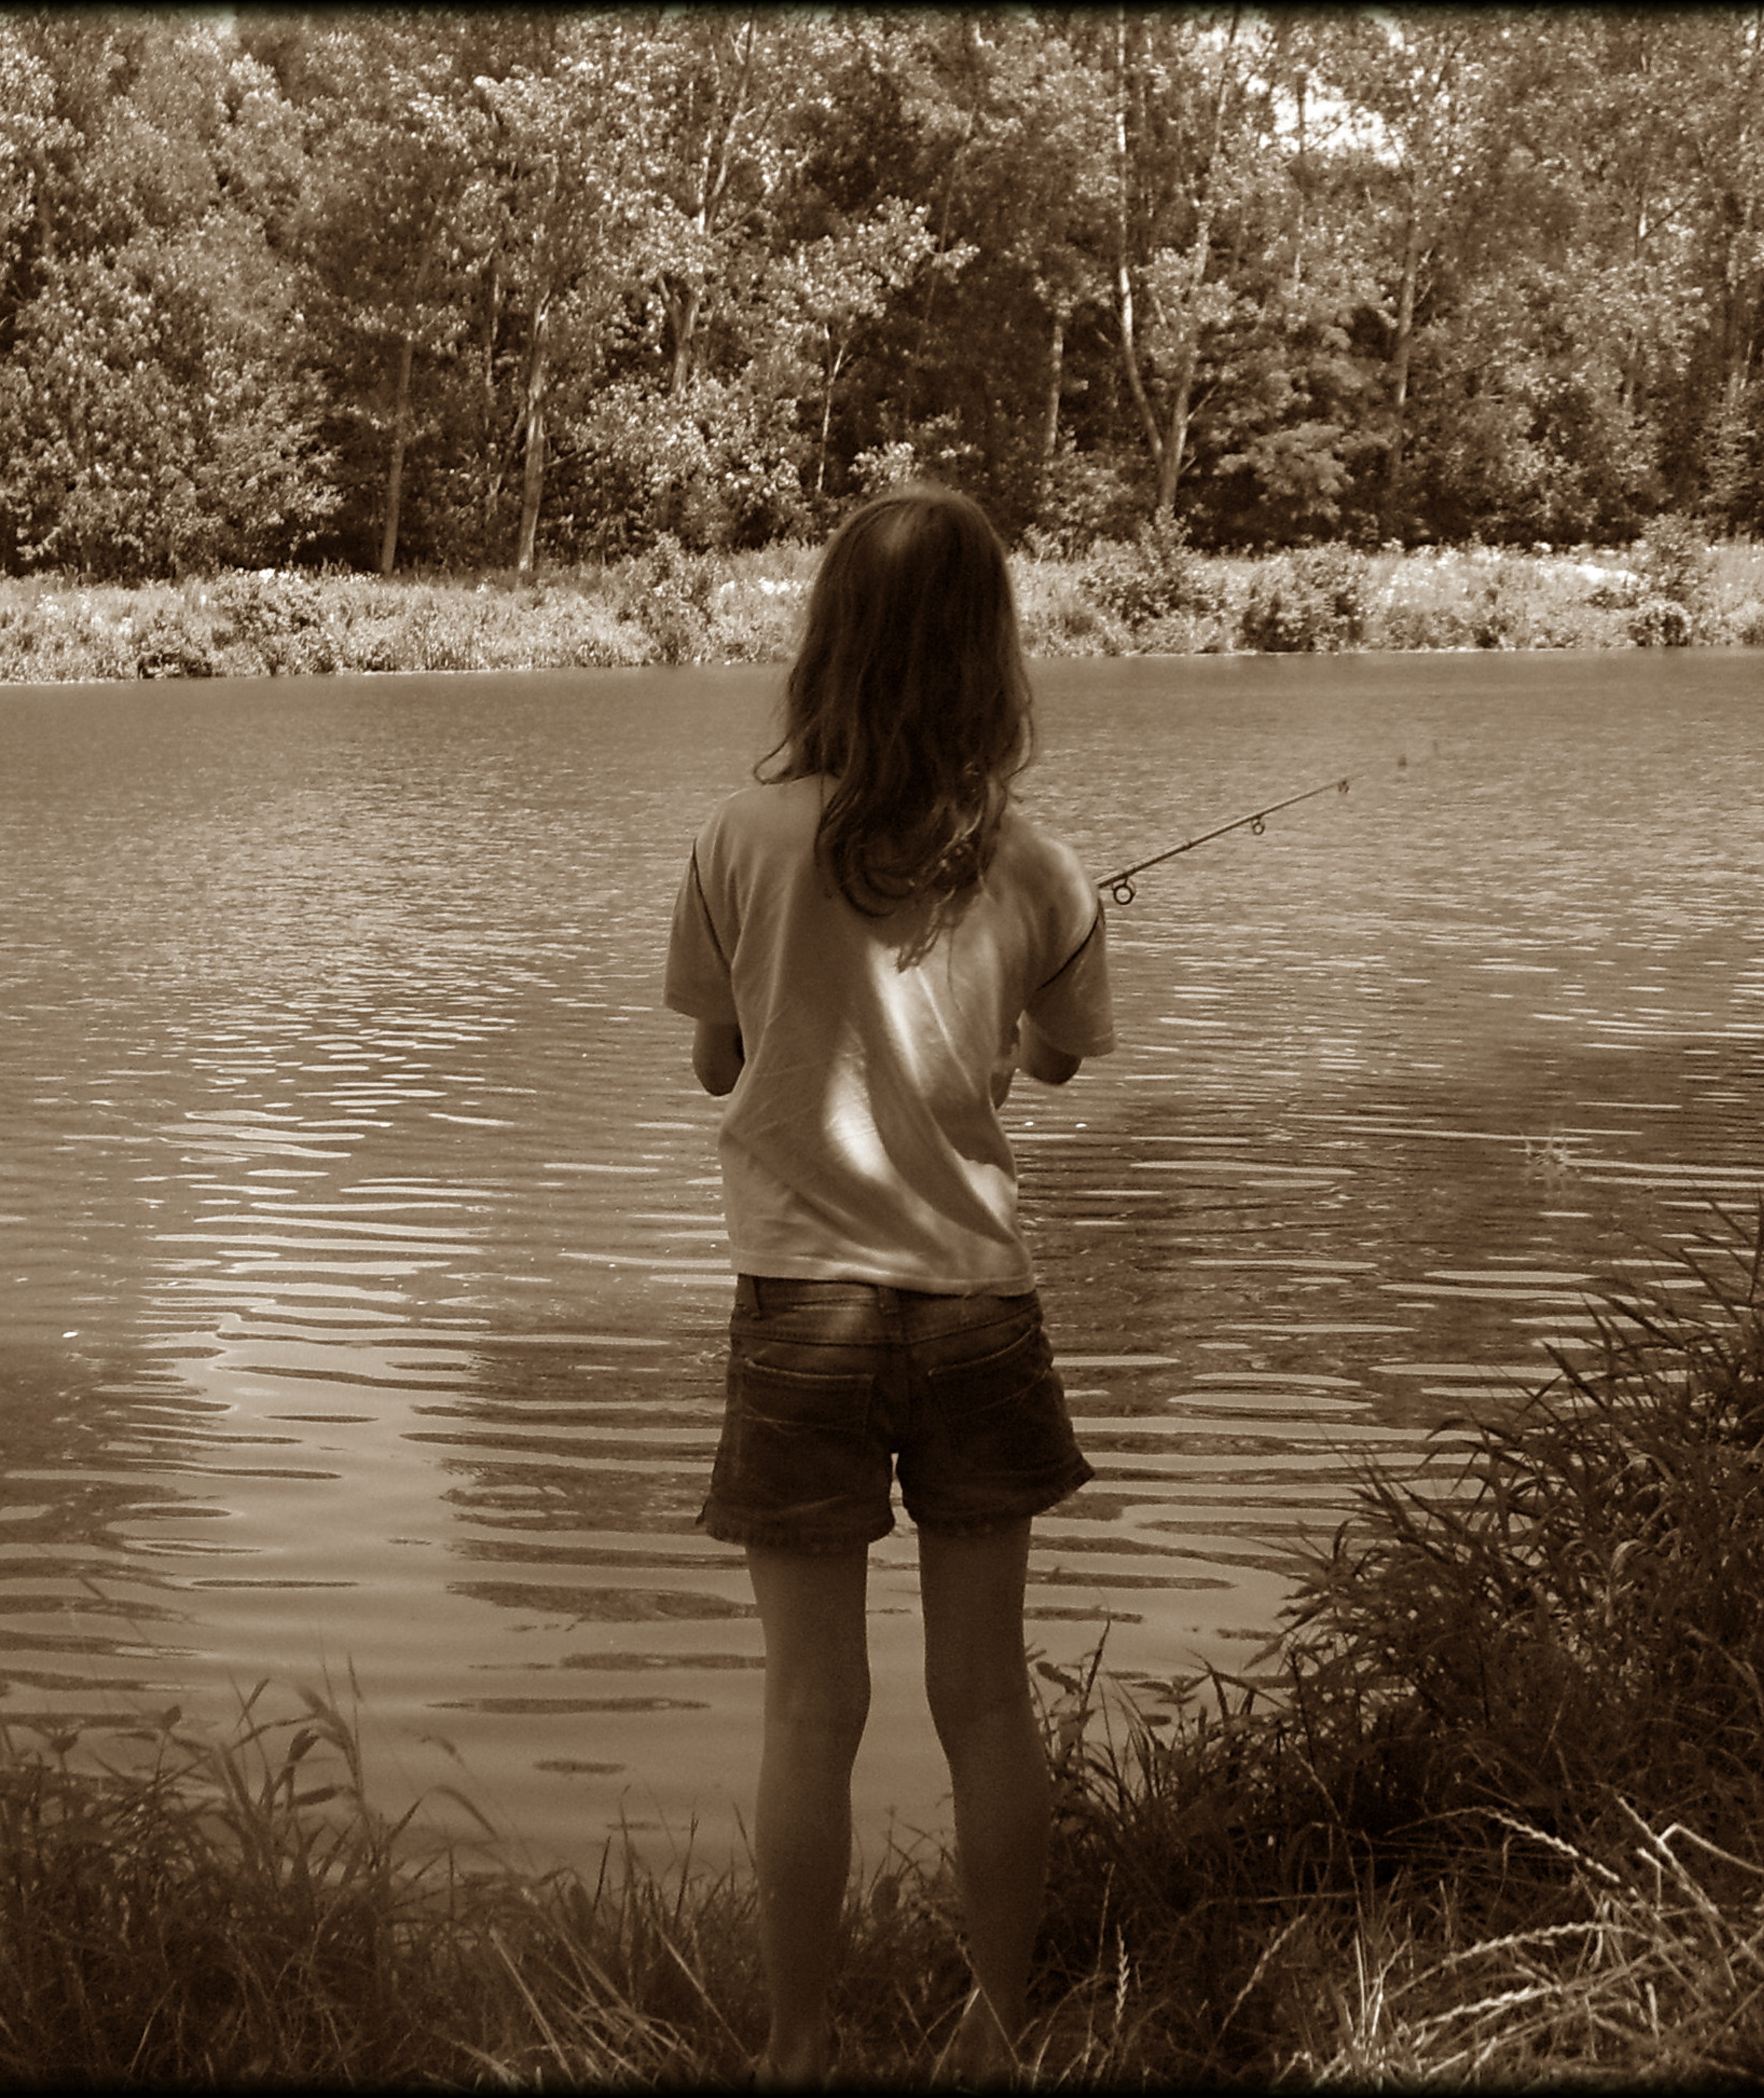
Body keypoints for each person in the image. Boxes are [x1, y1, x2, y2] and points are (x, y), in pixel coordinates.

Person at [662, 483, 1113, 2086]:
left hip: (802, 1309)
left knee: (810, 1708)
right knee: (985, 1702)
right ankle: (1000, 2034)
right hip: (977, 1305)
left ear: (828, 642)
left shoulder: (739, 837)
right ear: (993, 654)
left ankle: (797, 2050)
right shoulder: (1042, 867)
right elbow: (1057, 1063)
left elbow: (720, 1062)